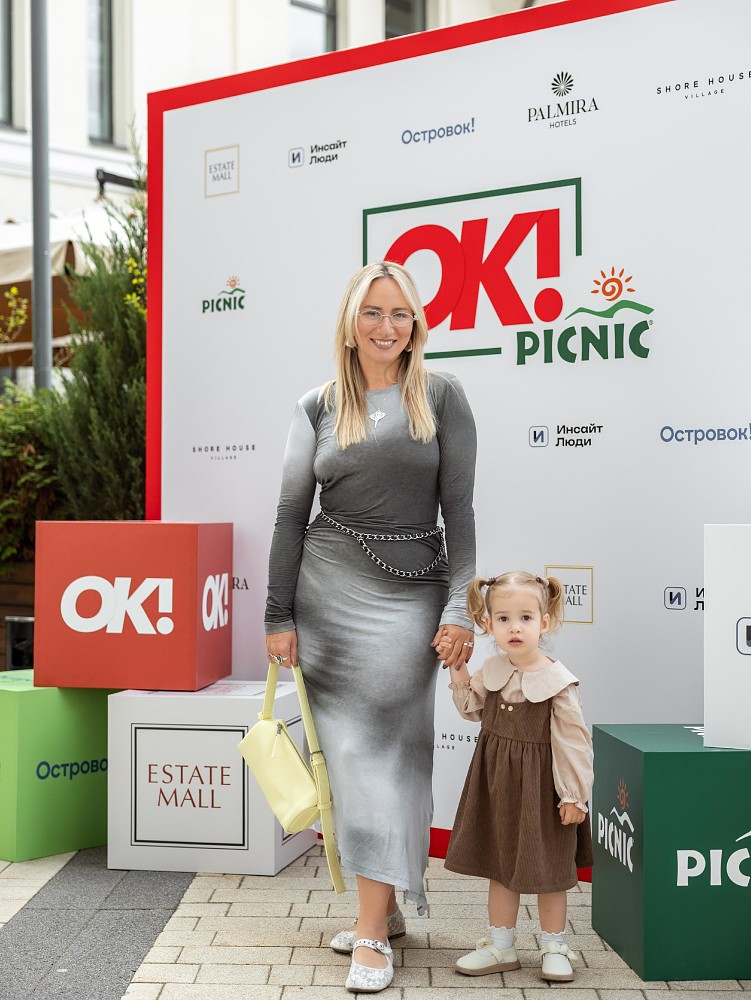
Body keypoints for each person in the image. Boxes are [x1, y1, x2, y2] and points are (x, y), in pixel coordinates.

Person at [264, 261, 477, 993]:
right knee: (352, 765)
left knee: (390, 759)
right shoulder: (317, 405)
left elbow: (460, 514)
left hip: (410, 600)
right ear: (350, 325)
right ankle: (377, 919)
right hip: (326, 596)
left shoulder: (442, 396)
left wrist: (459, 608)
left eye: (400, 314)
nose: (388, 326)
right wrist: (277, 614)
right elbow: (290, 516)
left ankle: (372, 928)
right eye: (373, 313)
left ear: (416, 325)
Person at [440, 571, 593, 983]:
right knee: (501, 864)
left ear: (544, 622)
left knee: (548, 867)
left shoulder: (557, 682)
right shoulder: (492, 670)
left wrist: (573, 795)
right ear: (488, 623)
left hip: (543, 790)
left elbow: (573, 743)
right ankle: (501, 945)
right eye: (503, 619)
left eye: (525, 618)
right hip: (498, 785)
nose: (514, 628)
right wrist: (458, 668)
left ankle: (554, 946)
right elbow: (471, 709)